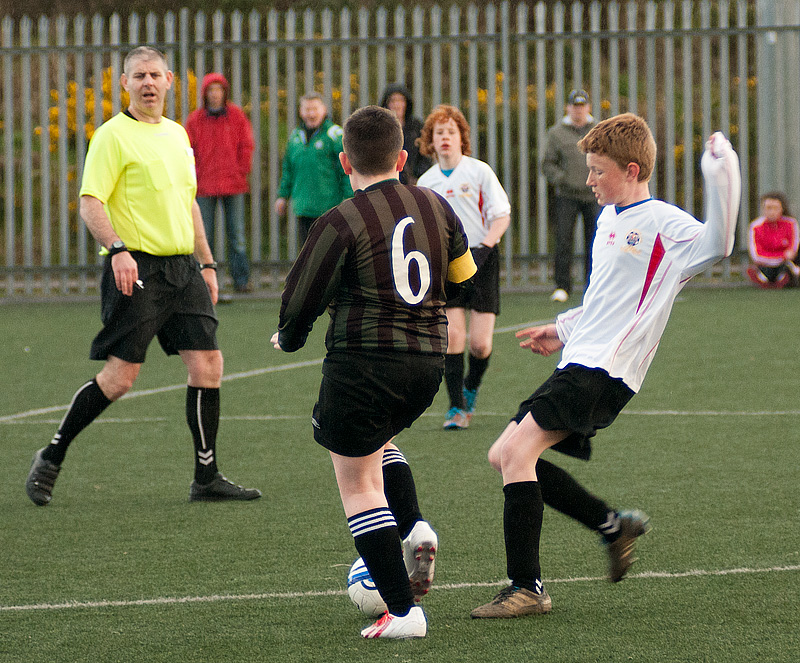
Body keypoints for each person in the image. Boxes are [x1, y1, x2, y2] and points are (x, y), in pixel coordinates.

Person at [470, 116, 740, 619]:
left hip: (605, 372)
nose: (588, 180)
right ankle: (612, 525)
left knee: (517, 456)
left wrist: (721, 171)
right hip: (580, 360)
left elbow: (719, 243)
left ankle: (527, 588)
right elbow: (607, 298)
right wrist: (563, 328)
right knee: (502, 454)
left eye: (597, 171)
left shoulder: (663, 222)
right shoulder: (610, 219)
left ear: (632, 169)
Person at [271, 105, 476, 639]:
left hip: (362, 363)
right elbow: (464, 278)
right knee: (378, 445)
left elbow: (300, 298)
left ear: (344, 161)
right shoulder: (438, 208)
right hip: (427, 365)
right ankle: (413, 527)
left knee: (358, 484)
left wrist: (290, 338)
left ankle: (404, 611)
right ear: (404, 158)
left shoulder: (339, 221)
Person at [24, 46, 261, 506]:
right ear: (125, 84)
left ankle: (206, 477)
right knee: (120, 378)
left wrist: (207, 263)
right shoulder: (111, 137)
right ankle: (52, 454)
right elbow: (90, 201)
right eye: (139, 76)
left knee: (208, 365)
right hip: (138, 269)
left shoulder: (177, 135)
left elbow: (188, 202)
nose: (148, 83)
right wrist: (117, 249)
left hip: (183, 269)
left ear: (170, 80)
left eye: (155, 75)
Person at [416, 105, 511, 430]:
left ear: (461, 138)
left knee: (480, 344)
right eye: (438, 132)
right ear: (431, 140)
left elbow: (502, 215)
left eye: (451, 132)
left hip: (482, 259)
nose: (445, 138)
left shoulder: (479, 172)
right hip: (448, 263)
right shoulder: (426, 182)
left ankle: (471, 386)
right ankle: (456, 407)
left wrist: (485, 247)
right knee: (453, 336)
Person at [185, 72, 255, 294]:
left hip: (233, 184)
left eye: (219, 89)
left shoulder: (236, 116)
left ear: (225, 92)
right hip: (204, 185)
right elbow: (188, 150)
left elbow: (246, 144)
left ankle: (241, 280)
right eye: (210, 90)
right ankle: (203, 281)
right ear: (204, 94)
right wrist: (194, 175)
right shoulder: (195, 120)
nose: (215, 94)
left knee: (237, 235)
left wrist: (241, 169)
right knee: (203, 235)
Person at [542, 89, 601, 303]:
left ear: (588, 107)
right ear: (568, 108)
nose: (578, 110)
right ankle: (562, 286)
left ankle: (592, 285)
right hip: (566, 195)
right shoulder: (556, 132)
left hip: (594, 195)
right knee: (563, 240)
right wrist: (562, 179)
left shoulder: (598, 130)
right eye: (575, 106)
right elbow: (548, 163)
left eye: (582, 106)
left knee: (595, 240)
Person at [274, 92, 353, 243]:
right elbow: (288, 169)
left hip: (329, 209)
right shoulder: (295, 137)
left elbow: (346, 170)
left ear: (324, 110)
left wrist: (348, 199)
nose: (311, 114)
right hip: (303, 208)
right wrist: (282, 196)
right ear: (300, 111)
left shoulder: (335, 135)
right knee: (307, 253)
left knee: (328, 255)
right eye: (307, 109)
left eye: (314, 109)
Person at [379, 83, 432, 185]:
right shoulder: (380, 129)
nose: (397, 105)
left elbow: (425, 155)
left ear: (406, 103)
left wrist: (419, 176)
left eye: (400, 100)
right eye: (393, 101)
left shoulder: (417, 127)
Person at [746, 191, 800, 288]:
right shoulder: (755, 226)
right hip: (765, 264)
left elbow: (792, 251)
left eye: (776, 208)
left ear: (782, 209)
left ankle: (786, 279)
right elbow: (756, 255)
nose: (772, 212)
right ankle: (766, 281)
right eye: (768, 208)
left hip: (785, 264)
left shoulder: (791, 224)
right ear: (763, 209)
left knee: (789, 269)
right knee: (760, 272)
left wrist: (785, 258)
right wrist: (781, 256)